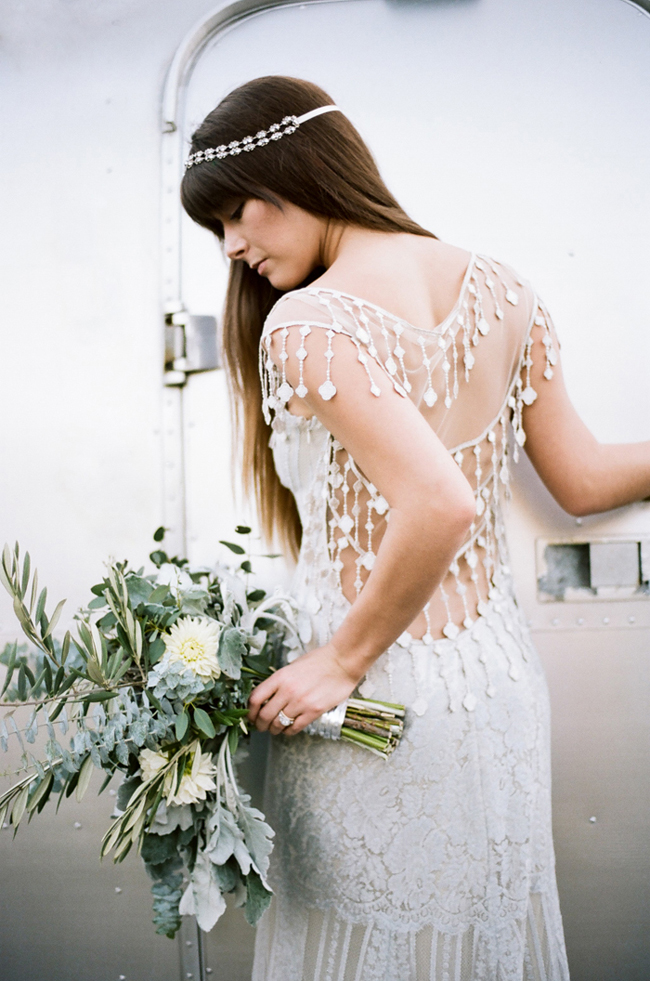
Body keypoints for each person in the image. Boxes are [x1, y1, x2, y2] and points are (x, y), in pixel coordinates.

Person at [181, 76, 650, 981]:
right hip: (496, 687)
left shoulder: (306, 322)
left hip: (368, 703)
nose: (234, 245)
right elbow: (585, 479)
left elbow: (440, 502)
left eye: (239, 212)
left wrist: (338, 661)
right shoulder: (508, 291)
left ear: (301, 169)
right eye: (217, 230)